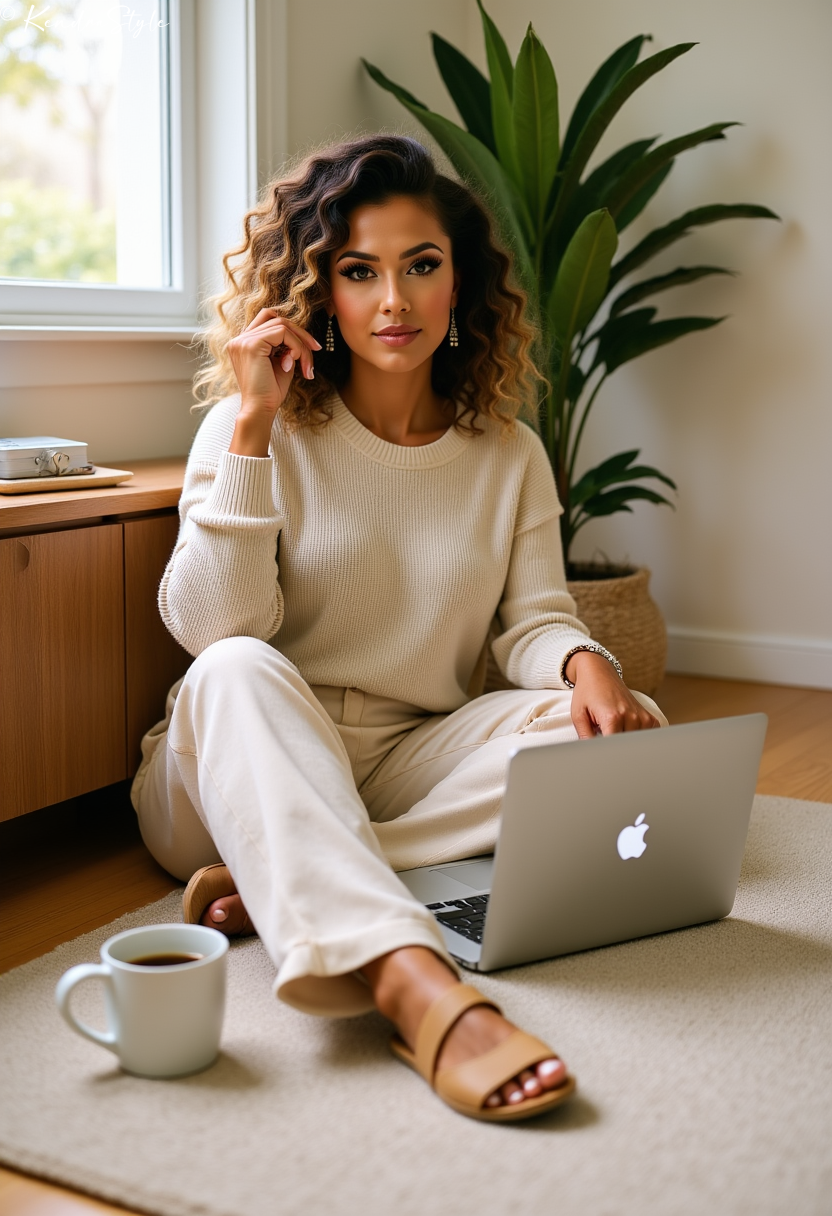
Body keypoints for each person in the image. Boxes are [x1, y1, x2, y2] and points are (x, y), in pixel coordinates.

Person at [131, 134, 666, 1123]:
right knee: (240, 665)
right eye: (358, 271)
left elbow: (533, 622)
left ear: (458, 282)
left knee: (619, 727)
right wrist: (251, 430)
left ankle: (285, 870)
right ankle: (414, 985)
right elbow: (213, 628)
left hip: (412, 752)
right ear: (316, 290)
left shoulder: (506, 454)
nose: (394, 301)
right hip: (236, 756)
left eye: (421, 266)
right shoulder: (257, 429)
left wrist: (587, 662)